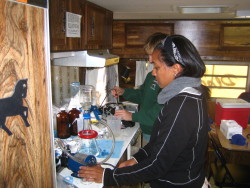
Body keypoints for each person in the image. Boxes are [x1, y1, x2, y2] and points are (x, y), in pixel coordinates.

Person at [78, 35, 209, 188]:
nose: (153, 73)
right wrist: (137, 158)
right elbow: (160, 142)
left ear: (176, 69)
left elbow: (158, 164)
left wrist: (108, 176)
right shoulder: (190, 94)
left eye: (157, 68)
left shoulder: (181, 106)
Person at [111, 32, 167, 145]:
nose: (150, 60)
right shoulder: (151, 75)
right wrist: (124, 91)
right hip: (147, 130)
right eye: (149, 55)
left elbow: (161, 111)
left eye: (152, 55)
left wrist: (132, 116)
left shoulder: (168, 80)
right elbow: (142, 95)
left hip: (160, 133)